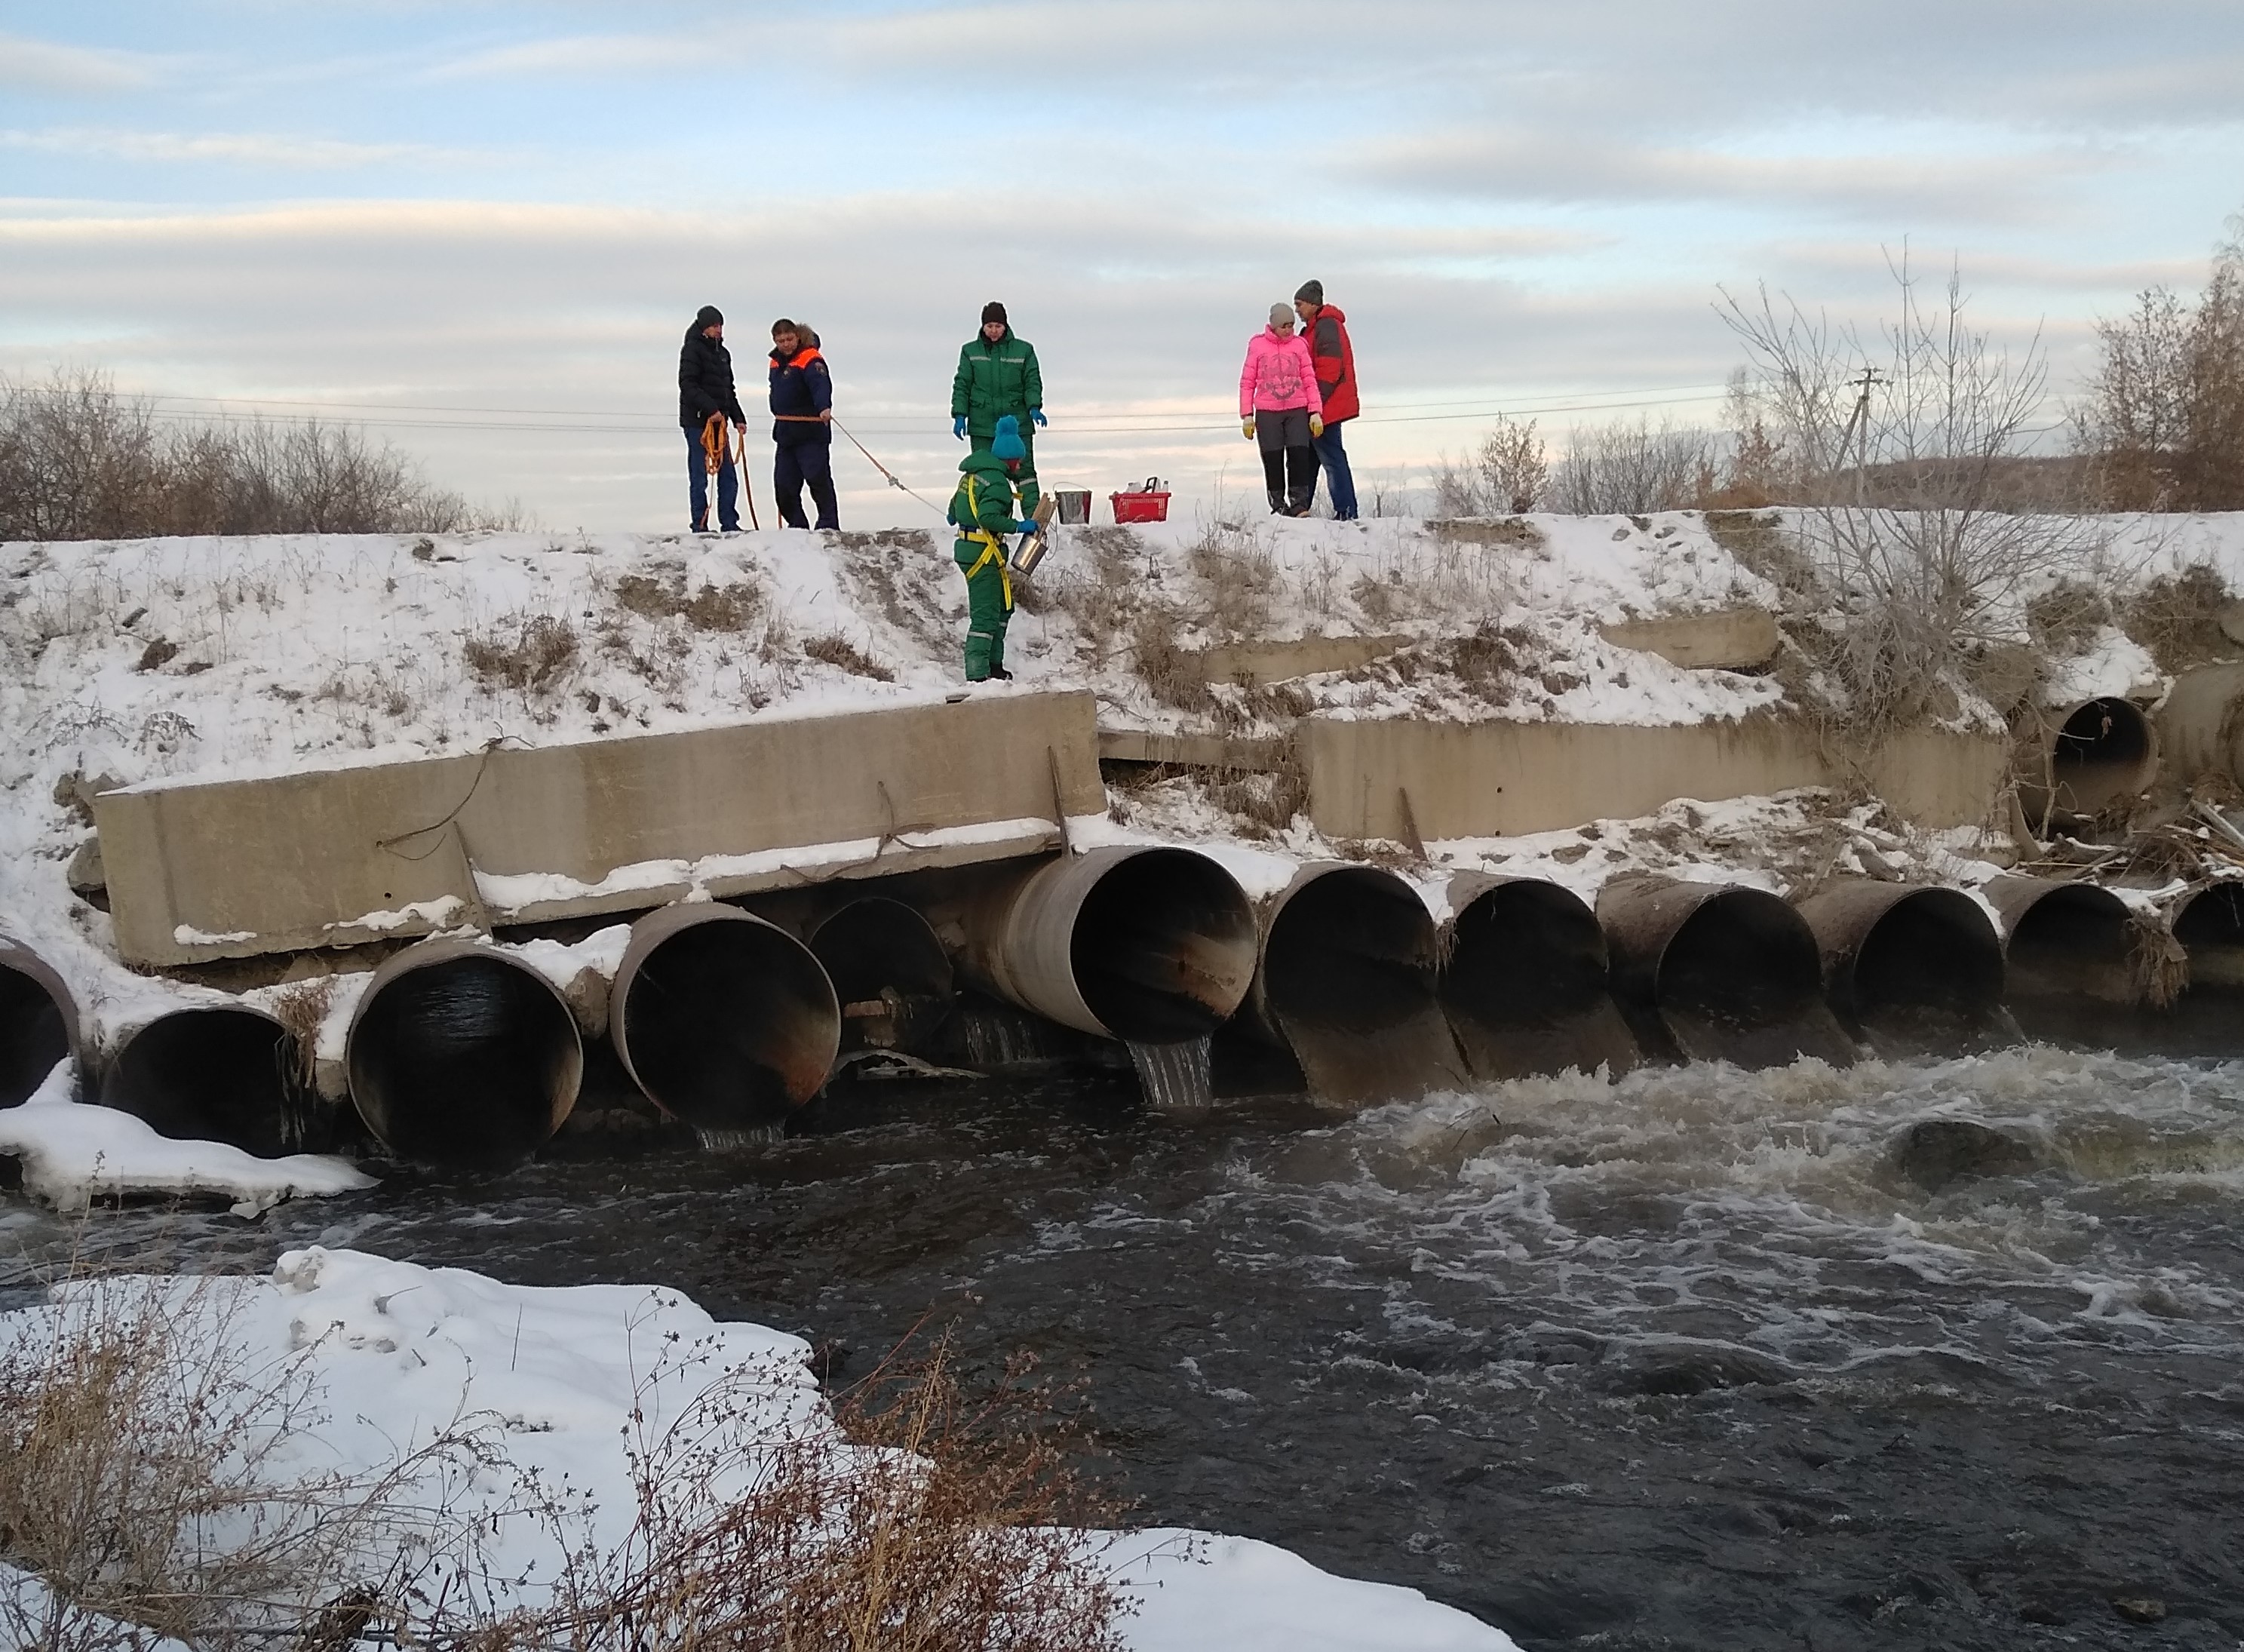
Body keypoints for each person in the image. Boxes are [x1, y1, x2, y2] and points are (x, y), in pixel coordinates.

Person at [945, 414, 1034, 683]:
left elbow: (952, 510)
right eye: (1018, 461)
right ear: (1010, 459)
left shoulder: (972, 477)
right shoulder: (997, 483)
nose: (1019, 466)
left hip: (971, 550)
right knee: (985, 616)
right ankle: (978, 673)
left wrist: (958, 517)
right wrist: (1019, 526)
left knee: (1002, 609)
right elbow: (988, 516)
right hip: (982, 556)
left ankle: (995, 665)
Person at [950, 302, 1045, 511]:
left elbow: (1032, 380)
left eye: (998, 326)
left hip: (1017, 424)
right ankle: (995, 521)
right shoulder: (970, 351)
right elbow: (962, 384)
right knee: (987, 476)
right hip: (983, 426)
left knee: (1024, 473)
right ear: (983, 326)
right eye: (989, 326)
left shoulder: (1024, 350)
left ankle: (1035, 521)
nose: (993, 331)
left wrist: (1034, 406)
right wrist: (959, 414)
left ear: (1006, 326)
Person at [1239, 301, 1324, 516]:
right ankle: (1278, 505)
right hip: (1268, 412)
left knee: (1298, 456)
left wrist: (1315, 412)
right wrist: (1247, 415)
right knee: (1273, 459)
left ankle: (1299, 504)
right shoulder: (1257, 346)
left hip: (1297, 408)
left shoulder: (1299, 345)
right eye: (1284, 325)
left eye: (1291, 325)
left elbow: (1309, 379)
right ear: (1273, 325)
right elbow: (1247, 382)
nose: (1289, 330)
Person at [1294, 280, 1360, 520]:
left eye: (1300, 305)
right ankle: (1300, 509)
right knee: (1311, 458)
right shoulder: (1314, 328)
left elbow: (1330, 368)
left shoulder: (1326, 326)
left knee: (1331, 456)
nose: (1297, 310)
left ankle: (1346, 511)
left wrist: (1315, 403)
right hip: (1322, 406)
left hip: (1326, 406)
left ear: (1312, 304)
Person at [677, 305, 746, 532]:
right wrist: (710, 410)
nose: (719, 330)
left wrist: (738, 417)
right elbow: (687, 384)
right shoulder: (691, 350)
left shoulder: (723, 355)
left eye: (720, 326)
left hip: (720, 423)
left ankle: (729, 523)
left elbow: (729, 389)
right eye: (714, 326)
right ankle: (699, 524)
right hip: (698, 422)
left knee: (728, 474)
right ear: (704, 327)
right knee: (699, 475)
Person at [768, 318, 838, 530]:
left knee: (817, 478)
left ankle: (828, 523)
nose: (786, 344)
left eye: (789, 339)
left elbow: (820, 384)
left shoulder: (810, 358)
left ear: (797, 337)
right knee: (783, 485)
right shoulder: (776, 362)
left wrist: (824, 406)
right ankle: (797, 525)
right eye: (780, 341)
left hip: (811, 431)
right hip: (786, 433)